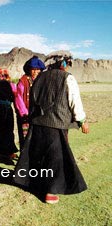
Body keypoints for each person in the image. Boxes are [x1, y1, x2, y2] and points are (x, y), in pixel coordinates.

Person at [13, 50, 89, 204]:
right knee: (55, 158)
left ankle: (36, 183)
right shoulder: (68, 78)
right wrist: (82, 120)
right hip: (56, 124)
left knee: (40, 155)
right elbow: (74, 100)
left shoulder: (39, 77)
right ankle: (50, 192)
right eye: (67, 63)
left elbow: (33, 98)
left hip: (38, 123)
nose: (68, 67)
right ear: (63, 63)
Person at [15, 56, 46, 151]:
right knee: (25, 136)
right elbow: (18, 97)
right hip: (25, 114)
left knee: (38, 136)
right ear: (29, 70)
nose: (36, 72)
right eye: (33, 69)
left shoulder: (42, 81)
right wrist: (24, 113)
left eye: (38, 70)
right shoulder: (23, 80)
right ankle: (24, 158)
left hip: (38, 115)